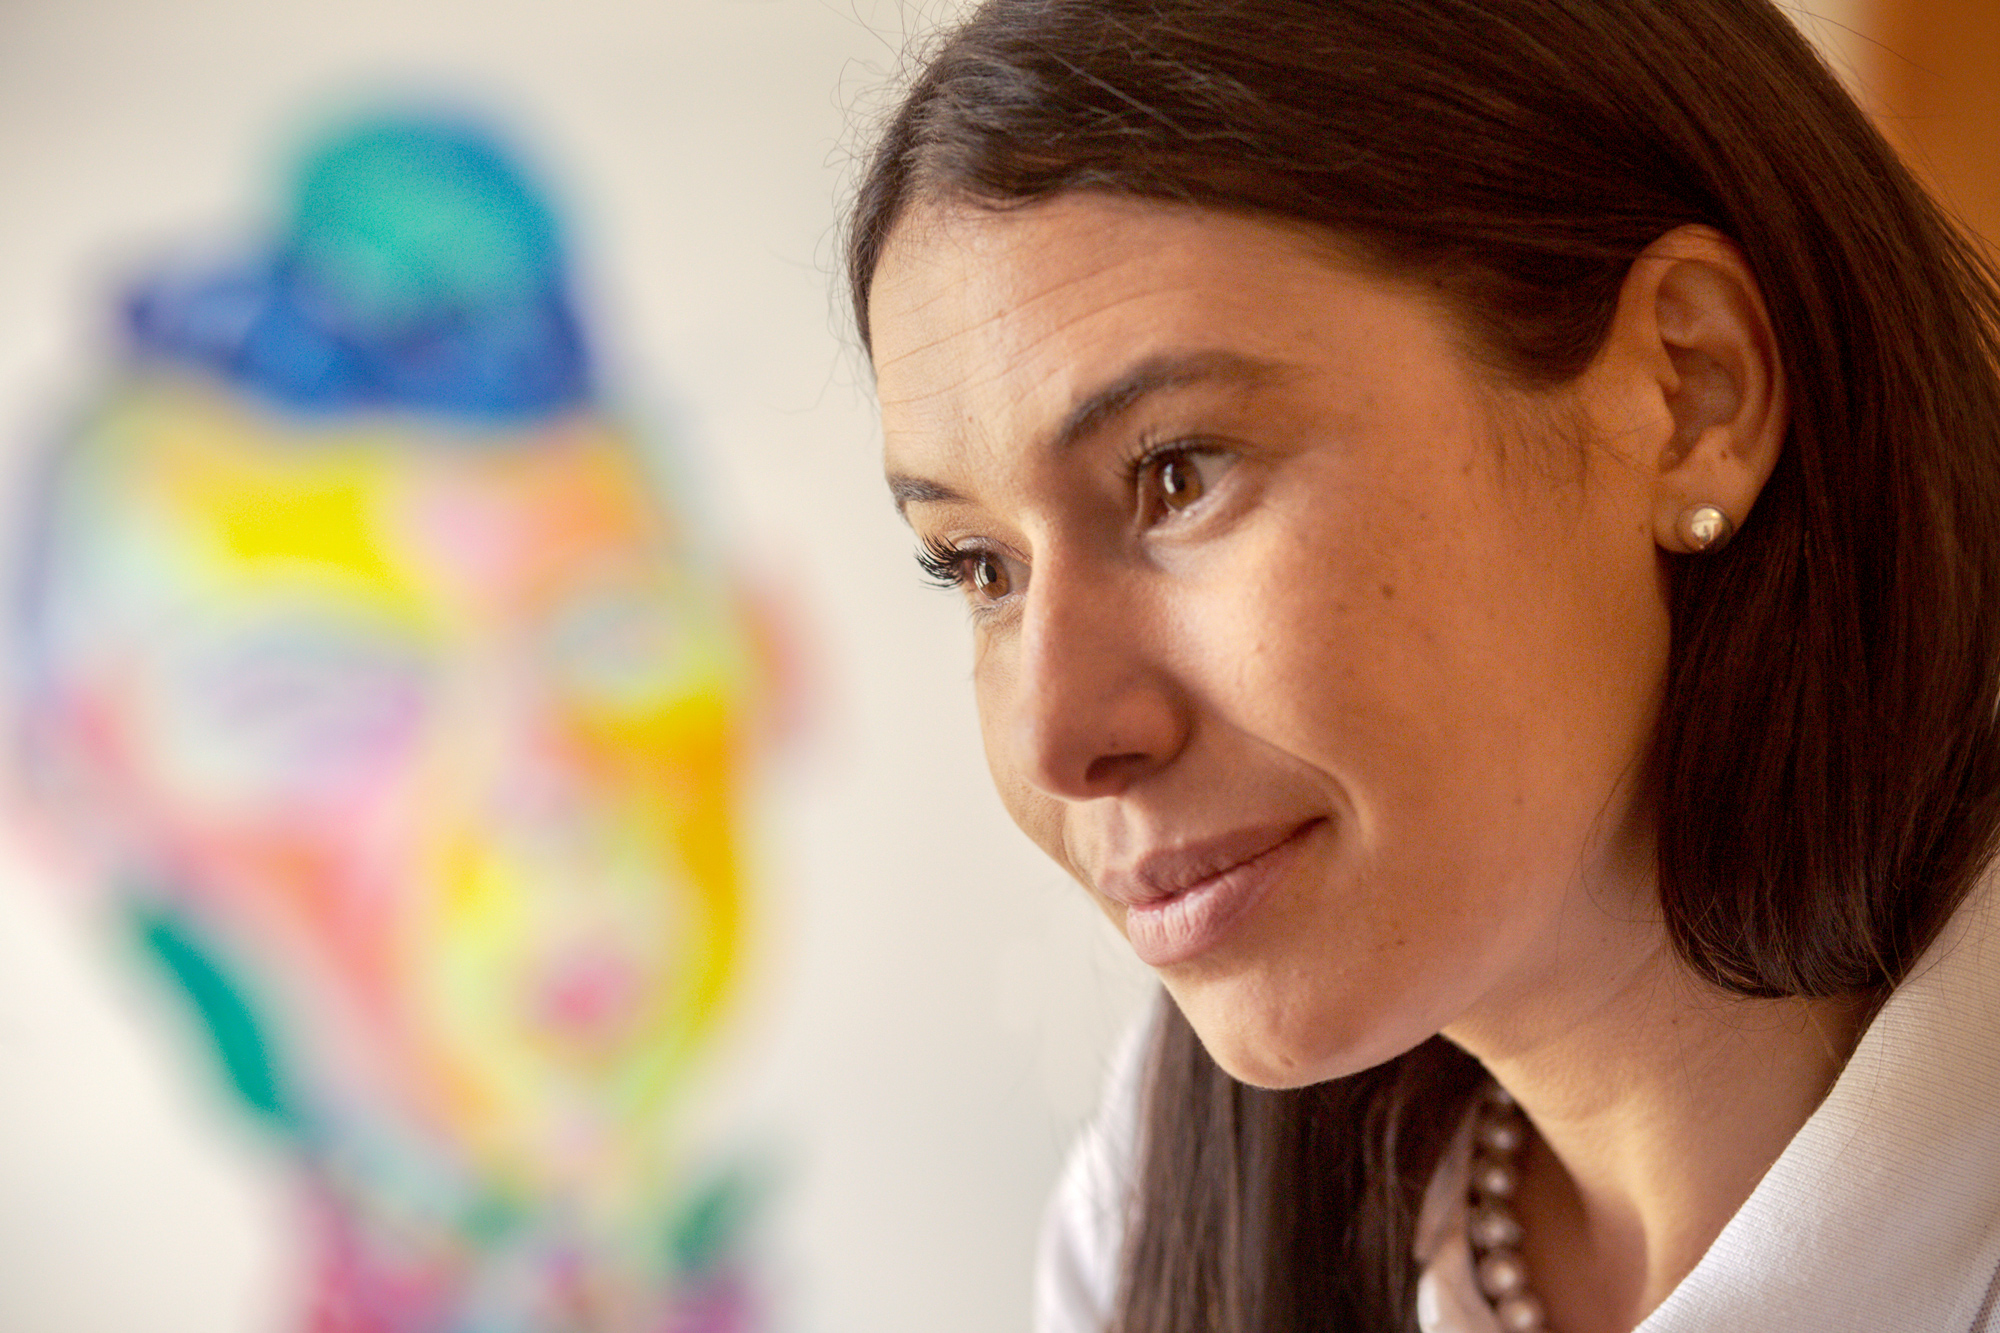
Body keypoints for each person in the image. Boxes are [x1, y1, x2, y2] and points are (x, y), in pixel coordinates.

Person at [844, 1, 2000, 1330]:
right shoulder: (1162, 1210)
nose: (1057, 734)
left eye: (1178, 474)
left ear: (1691, 393)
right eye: (979, 566)